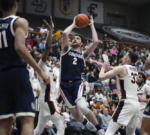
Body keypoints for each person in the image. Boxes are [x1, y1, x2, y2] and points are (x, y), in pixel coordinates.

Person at [0, 0, 49, 135]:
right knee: (27, 118)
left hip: (2, 75)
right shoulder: (19, 21)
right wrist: (40, 72)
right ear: (16, 4)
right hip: (17, 72)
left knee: (4, 122)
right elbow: (19, 47)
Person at [60, 15, 102, 133]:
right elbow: (64, 34)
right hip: (63, 85)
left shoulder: (83, 54)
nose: (74, 39)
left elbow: (95, 42)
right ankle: (86, 123)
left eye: (78, 39)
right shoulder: (66, 49)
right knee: (76, 116)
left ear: (82, 44)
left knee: (83, 107)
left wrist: (92, 24)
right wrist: (74, 24)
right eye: (73, 38)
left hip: (77, 83)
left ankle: (100, 130)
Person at [34, 17, 65, 135]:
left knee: (38, 129)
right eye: (38, 54)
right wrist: (51, 31)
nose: (40, 54)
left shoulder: (47, 67)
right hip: (47, 100)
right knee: (61, 124)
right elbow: (47, 48)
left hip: (46, 99)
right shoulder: (40, 65)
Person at [98, 51, 140, 135]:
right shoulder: (136, 70)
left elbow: (101, 77)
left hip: (126, 103)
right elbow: (114, 69)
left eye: (125, 55)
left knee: (109, 131)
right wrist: (99, 63)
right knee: (131, 133)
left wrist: (103, 67)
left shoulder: (122, 68)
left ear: (128, 58)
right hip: (136, 105)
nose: (123, 56)